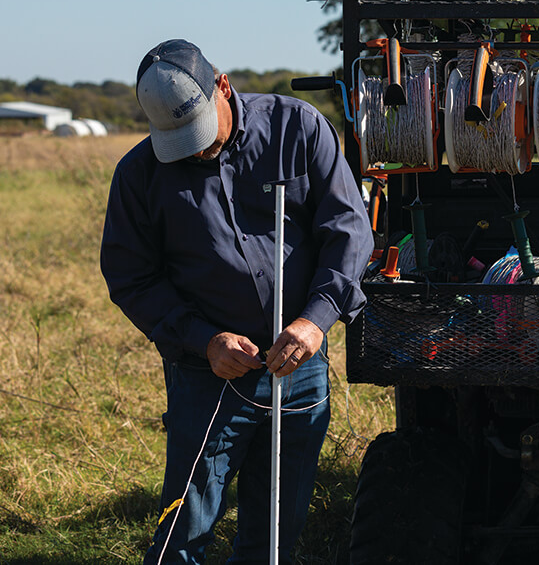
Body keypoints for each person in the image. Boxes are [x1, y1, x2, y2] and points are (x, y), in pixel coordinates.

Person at [100, 39, 373, 564]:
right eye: (178, 141)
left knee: (276, 532)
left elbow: (348, 228)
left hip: (300, 367)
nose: (196, 151)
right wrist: (205, 340)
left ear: (222, 87)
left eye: (200, 134)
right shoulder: (138, 175)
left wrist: (316, 320)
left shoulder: (298, 128)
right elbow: (131, 277)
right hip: (209, 375)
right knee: (183, 529)